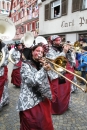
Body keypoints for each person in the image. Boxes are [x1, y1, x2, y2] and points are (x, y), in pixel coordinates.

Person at [16, 42, 57, 130]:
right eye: (37, 50)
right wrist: (43, 70)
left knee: (46, 122)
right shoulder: (25, 65)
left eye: (41, 52)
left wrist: (49, 70)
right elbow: (31, 81)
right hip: (30, 101)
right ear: (32, 52)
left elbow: (53, 77)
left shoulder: (42, 64)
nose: (39, 53)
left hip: (43, 97)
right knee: (33, 124)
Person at [46, 35, 76, 115]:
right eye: (57, 40)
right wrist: (64, 52)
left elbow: (72, 62)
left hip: (64, 73)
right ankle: (57, 109)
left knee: (65, 91)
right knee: (57, 93)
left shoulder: (62, 49)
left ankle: (65, 106)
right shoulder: (49, 50)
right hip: (55, 75)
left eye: (60, 40)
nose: (59, 41)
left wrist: (69, 53)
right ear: (53, 42)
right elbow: (56, 61)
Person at [0, 39, 9, 111]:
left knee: (2, 86)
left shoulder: (4, 46)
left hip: (1, 70)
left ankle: (3, 101)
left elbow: (7, 57)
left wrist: (2, 63)